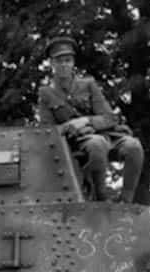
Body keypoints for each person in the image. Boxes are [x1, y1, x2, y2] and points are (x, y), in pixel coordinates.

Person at [36, 36, 144, 202]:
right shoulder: (46, 93)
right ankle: (101, 199)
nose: (64, 65)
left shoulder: (88, 85)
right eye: (59, 61)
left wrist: (86, 121)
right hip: (76, 142)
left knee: (134, 147)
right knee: (96, 144)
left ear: (73, 63)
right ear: (52, 64)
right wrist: (70, 126)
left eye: (68, 60)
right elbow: (46, 132)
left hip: (106, 134)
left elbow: (110, 117)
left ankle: (126, 201)